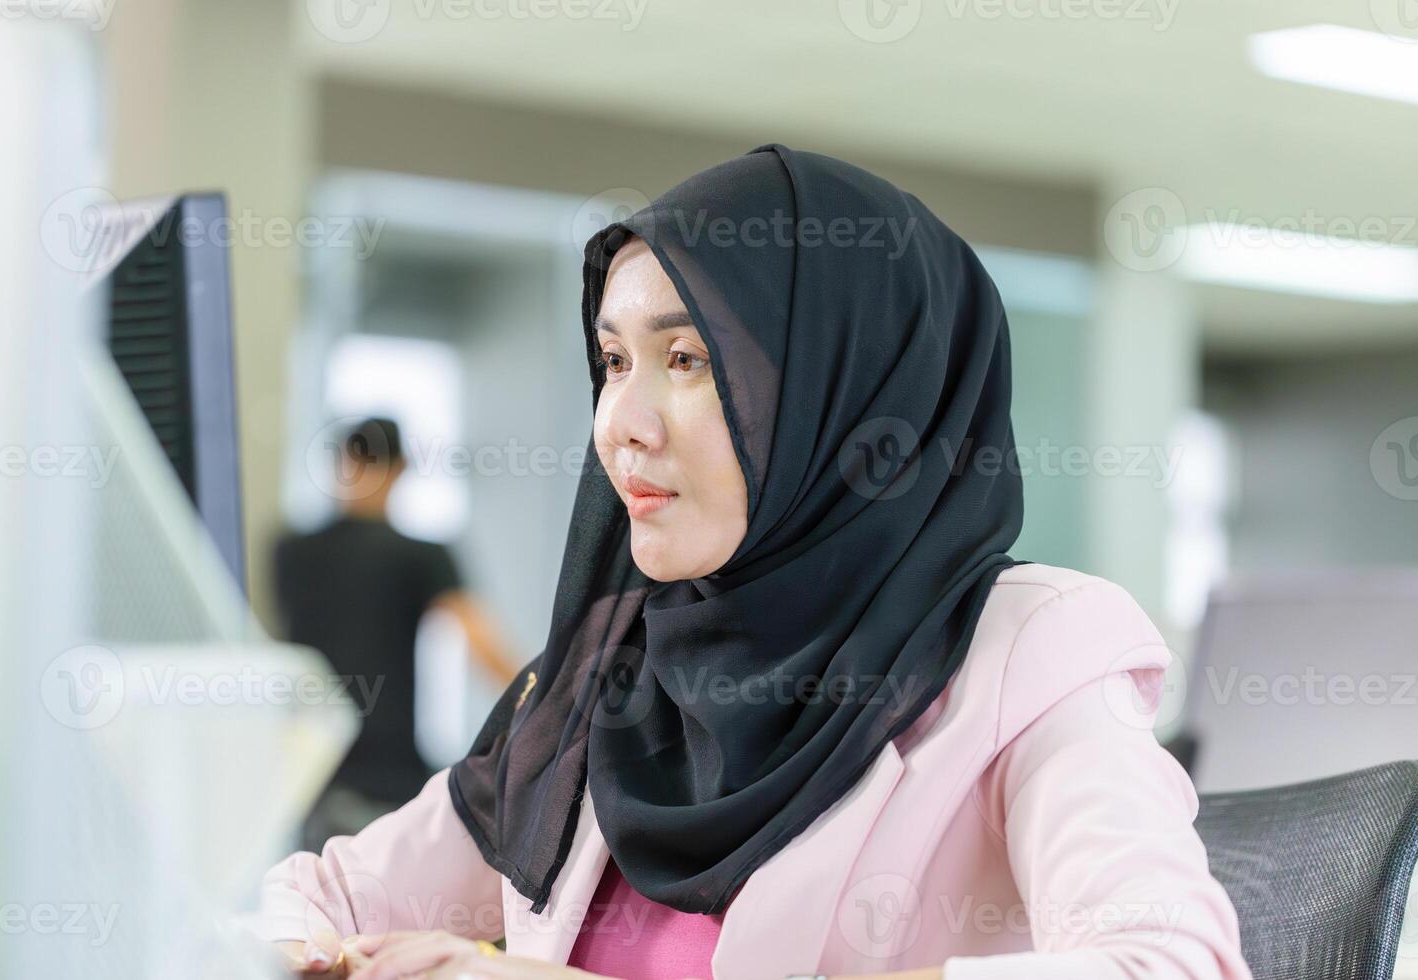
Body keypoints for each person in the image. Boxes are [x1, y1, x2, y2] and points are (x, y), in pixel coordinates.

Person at [252, 145, 1253, 980]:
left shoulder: (1028, 651)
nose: (621, 427)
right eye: (612, 361)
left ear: (851, 399)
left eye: (685, 359)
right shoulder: (607, 672)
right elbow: (320, 895)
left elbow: (1168, 963)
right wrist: (306, 958)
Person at [272, 416, 517, 851]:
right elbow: (481, 645)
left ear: (342, 462)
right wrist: (556, 701)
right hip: (387, 782)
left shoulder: (289, 552)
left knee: (317, 909)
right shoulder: (419, 556)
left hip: (307, 777)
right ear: (400, 467)